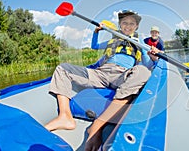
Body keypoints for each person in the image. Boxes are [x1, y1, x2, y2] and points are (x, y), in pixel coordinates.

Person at [44, 10, 159, 151]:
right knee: (63, 69)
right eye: (124, 23)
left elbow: (148, 65)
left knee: (143, 72)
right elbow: (94, 46)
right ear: (120, 25)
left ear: (136, 27)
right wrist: (96, 32)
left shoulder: (140, 43)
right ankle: (65, 116)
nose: (128, 26)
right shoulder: (113, 40)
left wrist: (154, 58)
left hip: (122, 75)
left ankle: (97, 125)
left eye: (131, 24)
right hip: (101, 73)